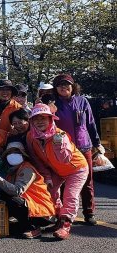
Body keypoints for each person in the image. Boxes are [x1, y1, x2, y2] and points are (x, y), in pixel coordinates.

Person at [25, 103, 89, 240]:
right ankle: (58, 220)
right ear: (31, 121)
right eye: (36, 118)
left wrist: (58, 145)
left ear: (50, 119)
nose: (40, 121)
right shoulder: (31, 137)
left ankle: (65, 225)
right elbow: (38, 161)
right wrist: (47, 178)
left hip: (76, 169)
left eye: (44, 118)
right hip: (56, 170)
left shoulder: (60, 135)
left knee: (70, 195)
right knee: (49, 191)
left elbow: (65, 160)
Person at [52, 73, 102, 225]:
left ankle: (89, 212)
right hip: (64, 150)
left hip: (84, 147)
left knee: (87, 182)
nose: (64, 87)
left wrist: (97, 143)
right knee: (64, 181)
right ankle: (63, 214)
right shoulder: (53, 105)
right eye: (60, 85)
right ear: (56, 88)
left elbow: (91, 124)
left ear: (73, 86)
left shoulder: (83, 101)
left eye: (67, 84)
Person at [0, 142, 56, 239]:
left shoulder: (27, 169)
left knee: (13, 200)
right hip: (31, 207)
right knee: (3, 195)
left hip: (41, 211)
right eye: (9, 153)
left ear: (23, 155)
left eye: (16, 152)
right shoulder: (13, 171)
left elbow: (17, 191)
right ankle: (21, 223)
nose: (12, 155)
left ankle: (32, 228)